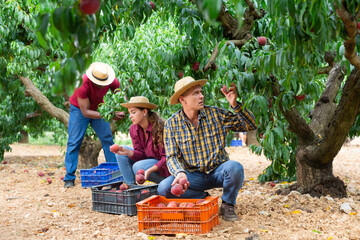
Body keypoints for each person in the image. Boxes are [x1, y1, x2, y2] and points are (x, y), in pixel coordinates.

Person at [158, 76, 257, 221]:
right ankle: (203, 198)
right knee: (163, 188)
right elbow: (172, 156)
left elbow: (250, 125)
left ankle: (228, 204)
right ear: (182, 100)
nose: (201, 96)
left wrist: (235, 104)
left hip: (218, 172)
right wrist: (180, 173)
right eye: (196, 93)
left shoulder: (216, 114)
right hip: (193, 176)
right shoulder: (172, 124)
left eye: (200, 92)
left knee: (235, 168)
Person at [63, 62, 125, 188]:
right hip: (79, 110)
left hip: (98, 108)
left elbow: (120, 95)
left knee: (108, 140)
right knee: (74, 142)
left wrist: (124, 106)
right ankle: (69, 178)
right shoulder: (82, 84)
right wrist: (111, 115)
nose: (102, 86)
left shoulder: (111, 80)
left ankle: (114, 176)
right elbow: (86, 112)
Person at [110, 96, 171, 184]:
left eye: (133, 112)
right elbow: (142, 154)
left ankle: (165, 182)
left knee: (138, 167)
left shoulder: (160, 128)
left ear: (144, 112)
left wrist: (149, 170)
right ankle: (131, 187)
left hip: (163, 167)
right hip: (148, 161)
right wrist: (128, 152)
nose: (130, 116)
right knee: (121, 154)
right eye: (129, 113)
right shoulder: (134, 129)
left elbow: (166, 158)